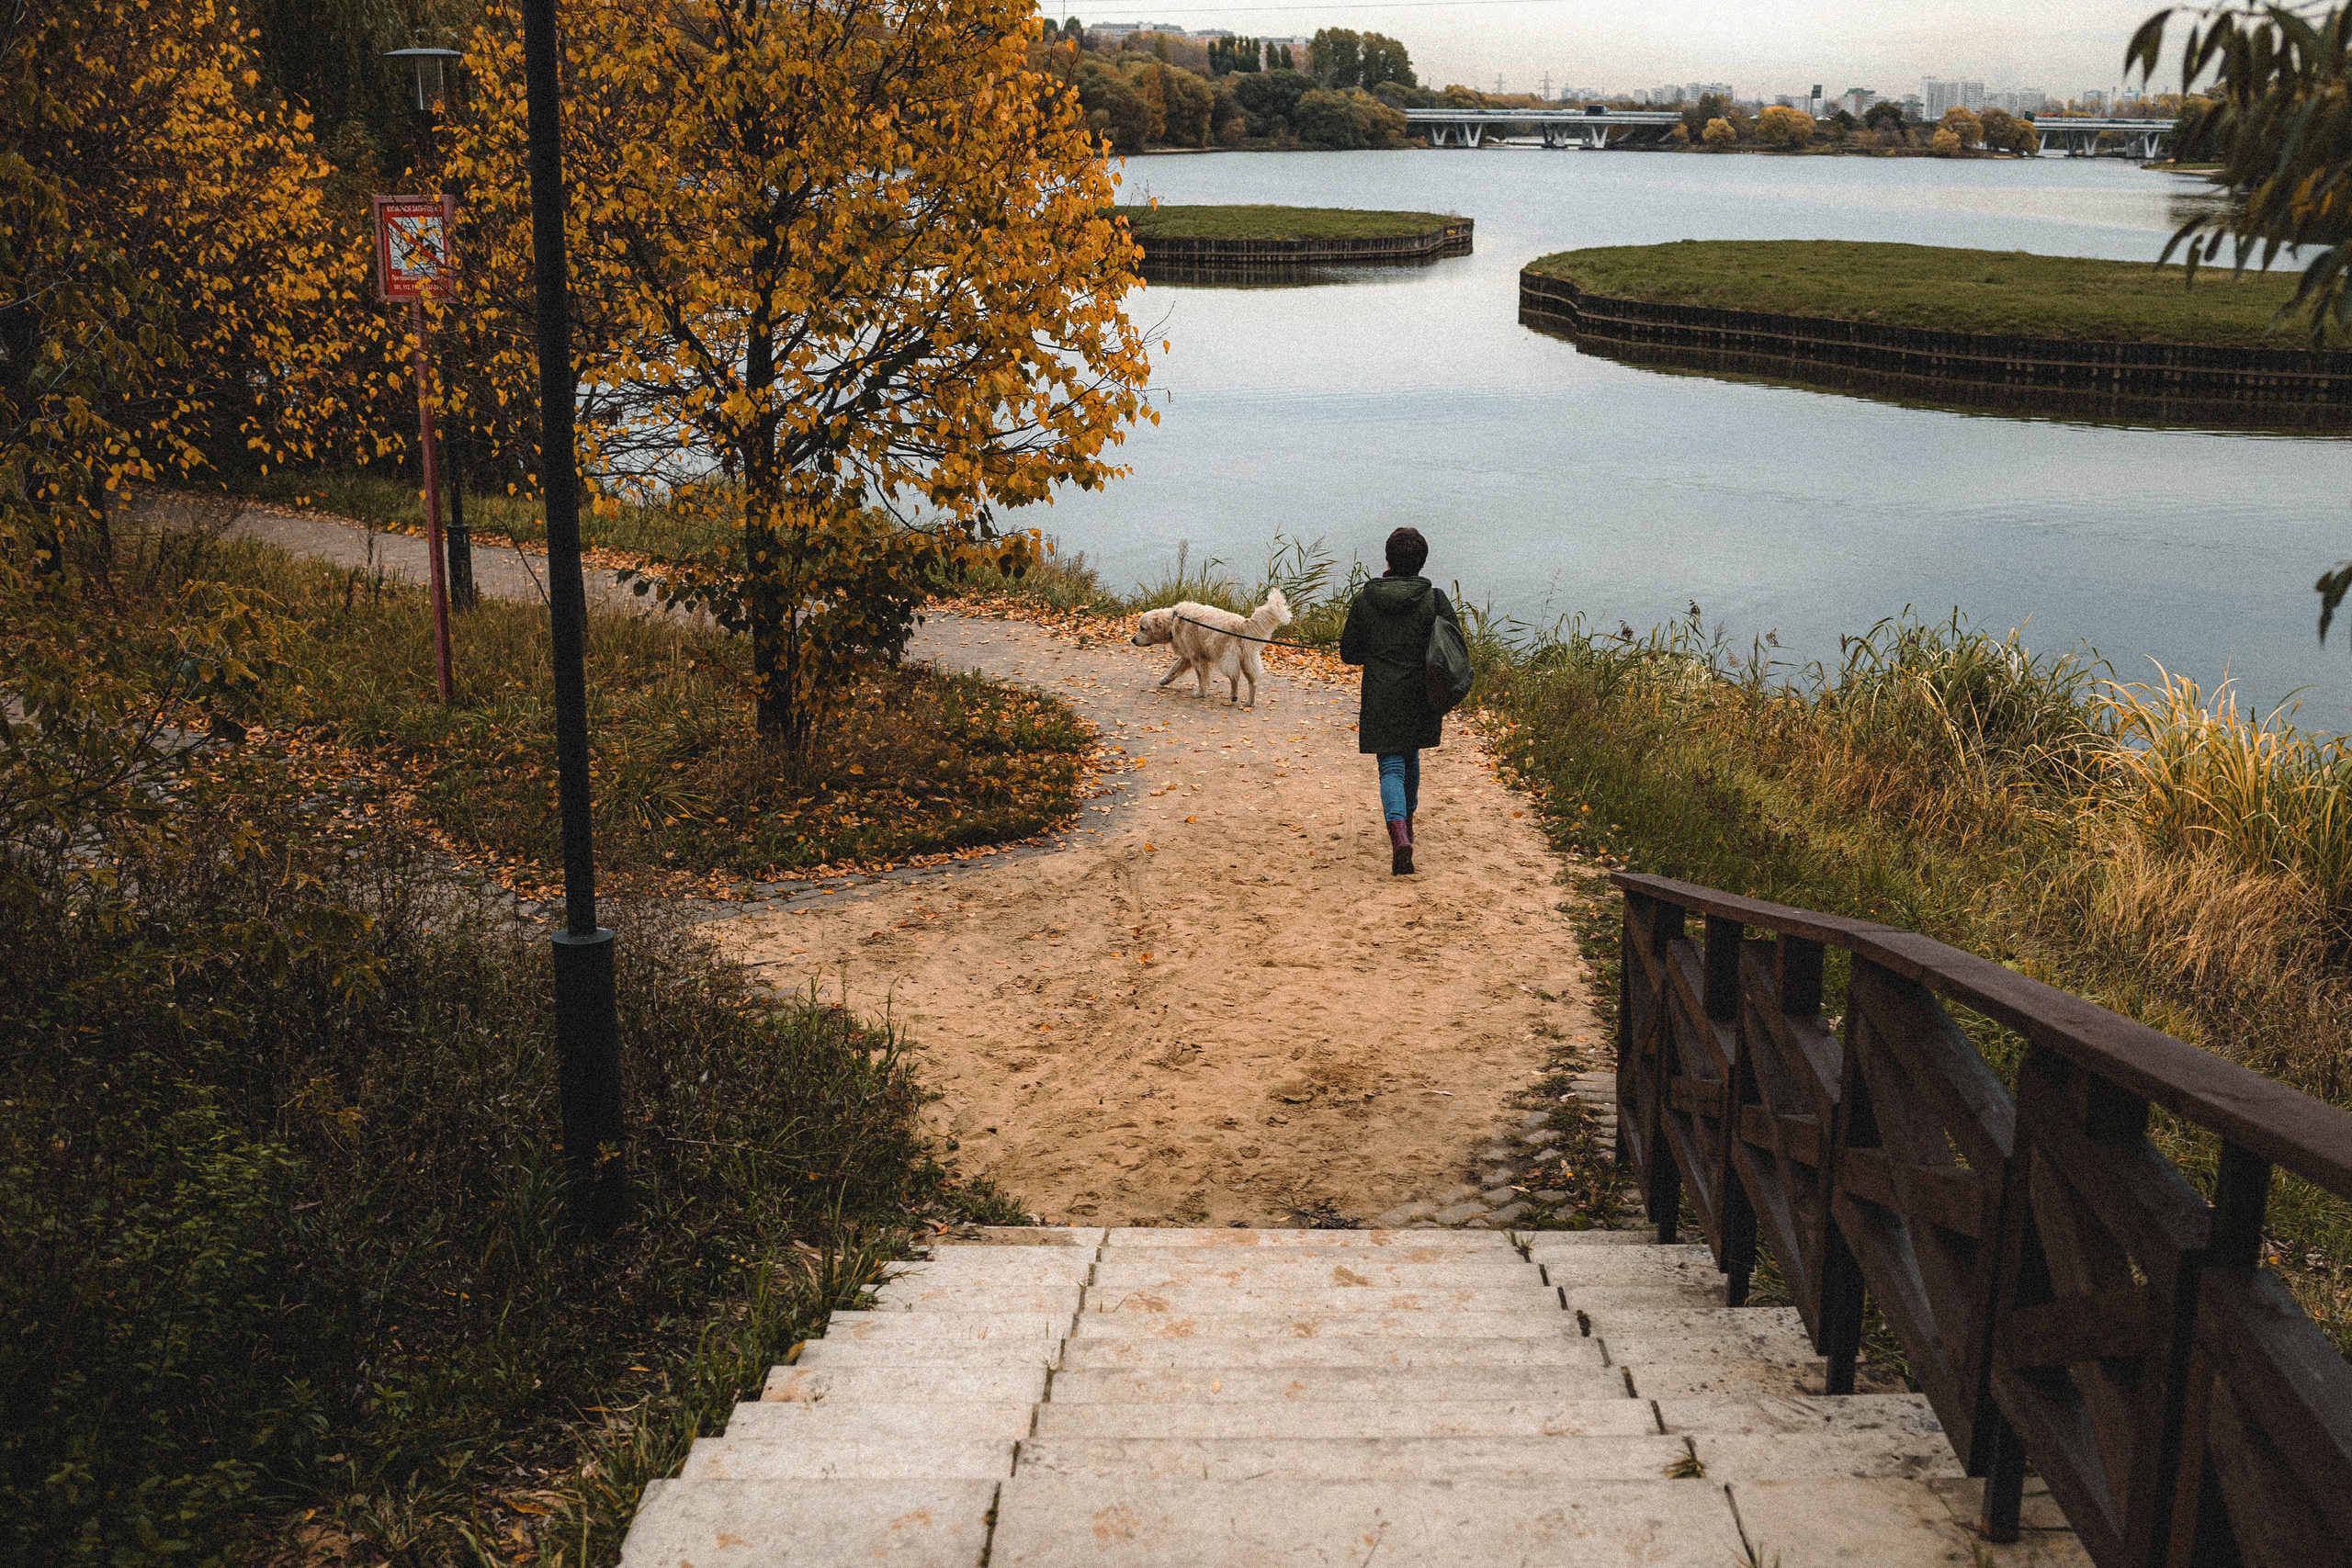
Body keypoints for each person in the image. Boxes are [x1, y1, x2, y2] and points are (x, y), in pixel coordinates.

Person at [1339, 526, 1458, 876]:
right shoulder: (1434, 600)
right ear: (1421, 562)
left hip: (1381, 695)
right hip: (1422, 695)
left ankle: (1399, 834)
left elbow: (1350, 652)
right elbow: (1452, 647)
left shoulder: (1365, 600)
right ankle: (1409, 821)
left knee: (1391, 764)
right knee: (1411, 754)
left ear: (1388, 559)